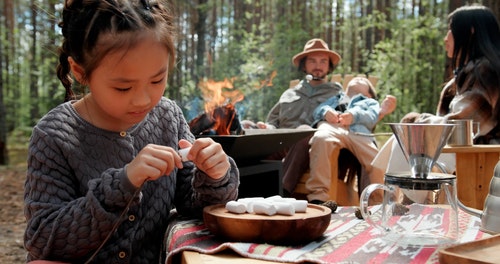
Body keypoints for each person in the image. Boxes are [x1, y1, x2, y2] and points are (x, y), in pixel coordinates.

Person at [23, 1, 239, 263]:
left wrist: (215, 175)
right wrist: (123, 183)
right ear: (80, 72)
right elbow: (44, 239)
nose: (143, 100)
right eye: (123, 88)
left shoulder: (167, 116)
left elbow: (193, 205)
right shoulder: (54, 135)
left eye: (157, 80)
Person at [253, 38, 396, 203]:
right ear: (304, 65)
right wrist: (266, 127)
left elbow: (355, 122)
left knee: (306, 130)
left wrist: (380, 114)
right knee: (247, 136)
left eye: (323, 61)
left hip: (313, 148)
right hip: (281, 144)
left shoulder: (337, 95)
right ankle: (244, 194)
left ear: (329, 66)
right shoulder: (289, 94)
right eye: (312, 61)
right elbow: (273, 122)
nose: (318, 65)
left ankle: (281, 192)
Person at [373, 4, 500, 174]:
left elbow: (464, 126)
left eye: (450, 29)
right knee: (406, 137)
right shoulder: (464, 76)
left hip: (484, 156)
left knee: (409, 137)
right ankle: (399, 195)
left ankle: (402, 198)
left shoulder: (485, 72)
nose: (445, 38)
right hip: (468, 151)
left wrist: (419, 121)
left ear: (470, 31)